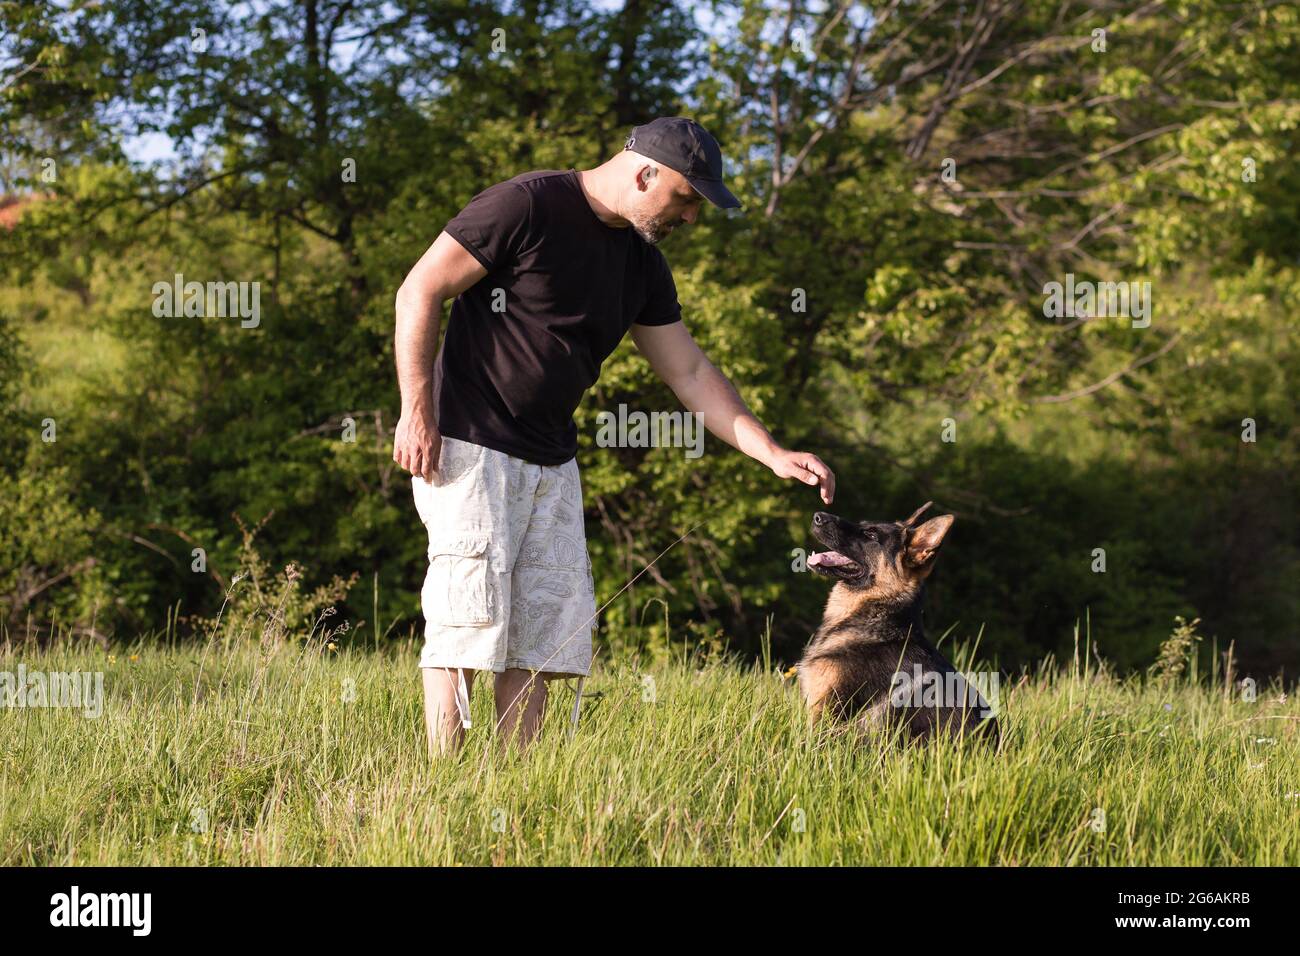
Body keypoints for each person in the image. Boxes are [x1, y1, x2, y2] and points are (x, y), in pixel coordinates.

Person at [393, 117, 835, 756]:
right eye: (687, 198)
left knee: (547, 634)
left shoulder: (641, 262)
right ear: (645, 171)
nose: (691, 218)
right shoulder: (526, 205)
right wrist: (416, 411)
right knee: (468, 620)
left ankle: (518, 785)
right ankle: (447, 784)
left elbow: (688, 370)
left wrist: (769, 451)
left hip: (552, 461)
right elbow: (420, 289)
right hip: (470, 444)